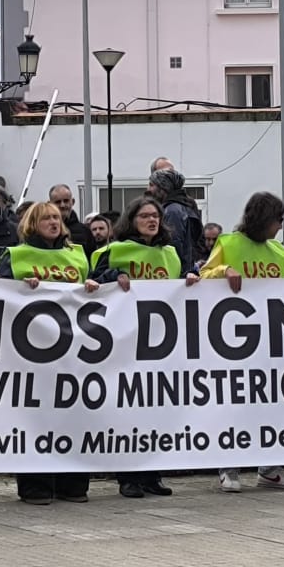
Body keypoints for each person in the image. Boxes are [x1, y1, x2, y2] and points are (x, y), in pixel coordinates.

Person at [91, 195, 198, 500]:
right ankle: (128, 477)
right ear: (131, 221)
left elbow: (183, 279)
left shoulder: (171, 253)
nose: (152, 221)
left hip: (160, 344)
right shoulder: (113, 250)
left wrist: (192, 278)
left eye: (155, 216)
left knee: (155, 412)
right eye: (145, 216)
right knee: (128, 412)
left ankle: (152, 475)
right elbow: (93, 280)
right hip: (124, 343)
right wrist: (114, 275)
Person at [0, 201, 98, 505]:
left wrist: (93, 285)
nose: (53, 222)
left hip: (73, 350)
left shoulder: (77, 254)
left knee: (74, 417)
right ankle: (36, 485)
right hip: (31, 351)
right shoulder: (16, 255)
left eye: (56, 218)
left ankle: (73, 484)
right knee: (37, 418)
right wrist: (18, 286)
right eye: (46, 218)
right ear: (31, 224)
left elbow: (87, 291)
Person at [201, 191, 284, 493]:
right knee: (233, 404)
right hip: (233, 340)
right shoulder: (229, 243)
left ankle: (270, 468)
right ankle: (228, 467)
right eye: (278, 220)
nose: (280, 227)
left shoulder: (281, 253)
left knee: (273, 404)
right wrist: (224, 270)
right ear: (262, 219)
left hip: (271, 341)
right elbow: (204, 273)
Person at [147, 165, 205, 274]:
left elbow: (173, 246)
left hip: (174, 275)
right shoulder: (182, 207)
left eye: (151, 185)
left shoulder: (172, 211)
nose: (148, 189)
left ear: (162, 187)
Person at [48, 185, 95, 249]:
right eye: (58, 202)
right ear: (49, 204)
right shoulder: (44, 230)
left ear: (72, 202)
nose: (62, 205)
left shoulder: (85, 232)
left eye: (66, 201)